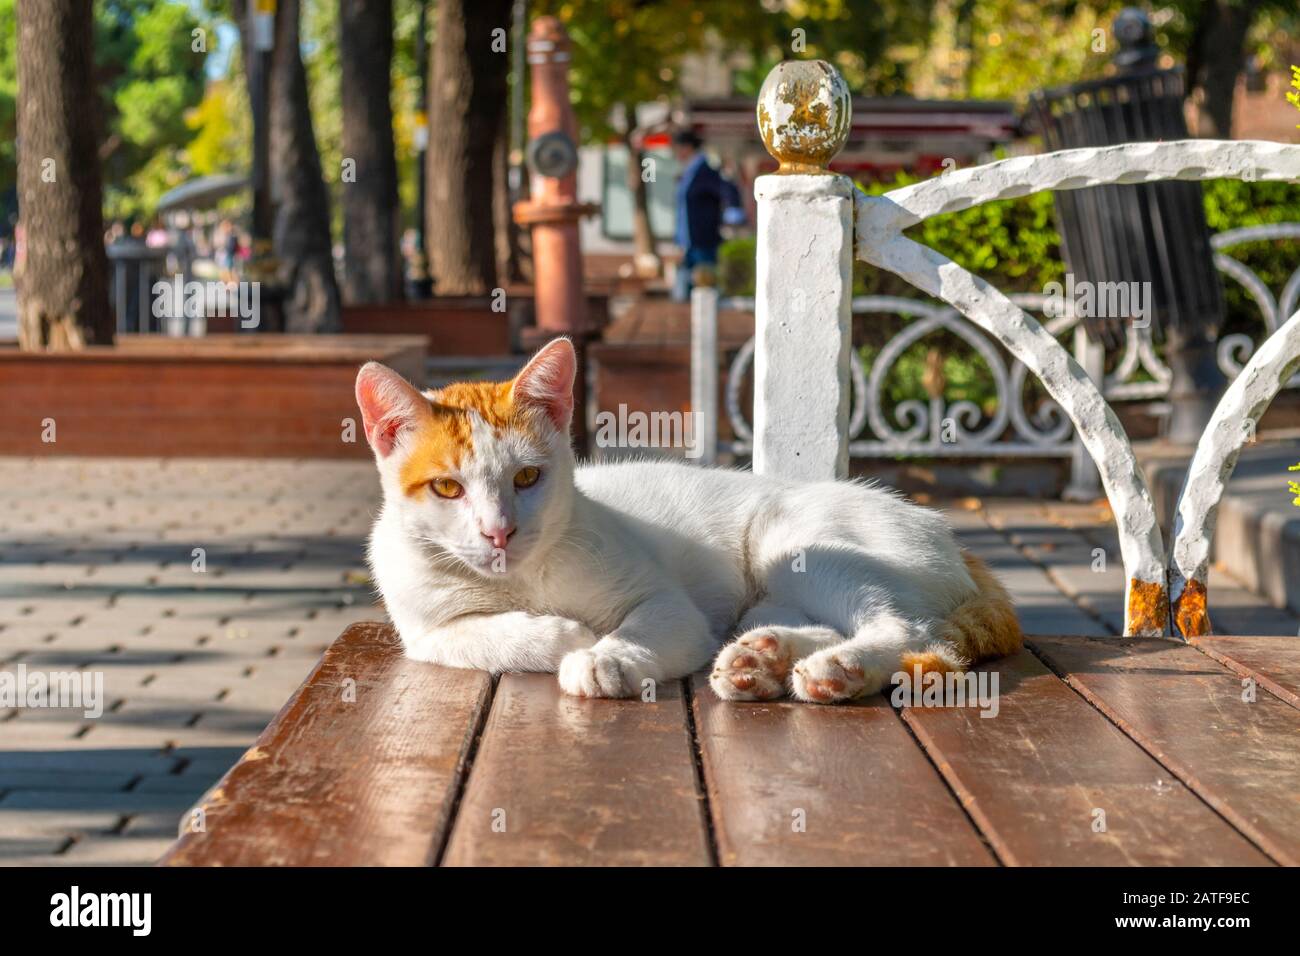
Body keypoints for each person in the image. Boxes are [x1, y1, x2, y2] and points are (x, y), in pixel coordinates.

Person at [671, 129, 742, 301]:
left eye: (676, 148)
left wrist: (733, 216)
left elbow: (729, 189)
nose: (674, 153)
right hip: (690, 245)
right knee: (687, 297)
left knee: (707, 295)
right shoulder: (690, 171)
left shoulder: (703, 169)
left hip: (703, 243)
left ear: (686, 147)